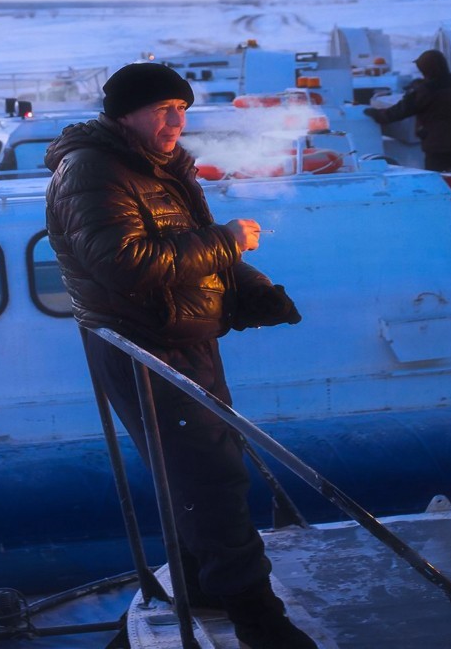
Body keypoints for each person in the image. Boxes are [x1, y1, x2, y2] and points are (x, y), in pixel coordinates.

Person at [44, 62, 314, 649]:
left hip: (182, 339)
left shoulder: (155, 167)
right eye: (164, 108)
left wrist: (249, 289)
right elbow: (124, 264)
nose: (177, 120)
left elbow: (185, 241)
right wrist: (227, 239)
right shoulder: (91, 169)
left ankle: (202, 583)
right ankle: (259, 622)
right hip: (145, 347)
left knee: (199, 472)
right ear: (125, 114)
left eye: (184, 108)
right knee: (210, 477)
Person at [365, 48, 451, 175]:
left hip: (440, 146)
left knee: (438, 184)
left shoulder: (426, 90)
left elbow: (401, 111)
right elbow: (441, 93)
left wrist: (376, 114)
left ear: (426, 69)